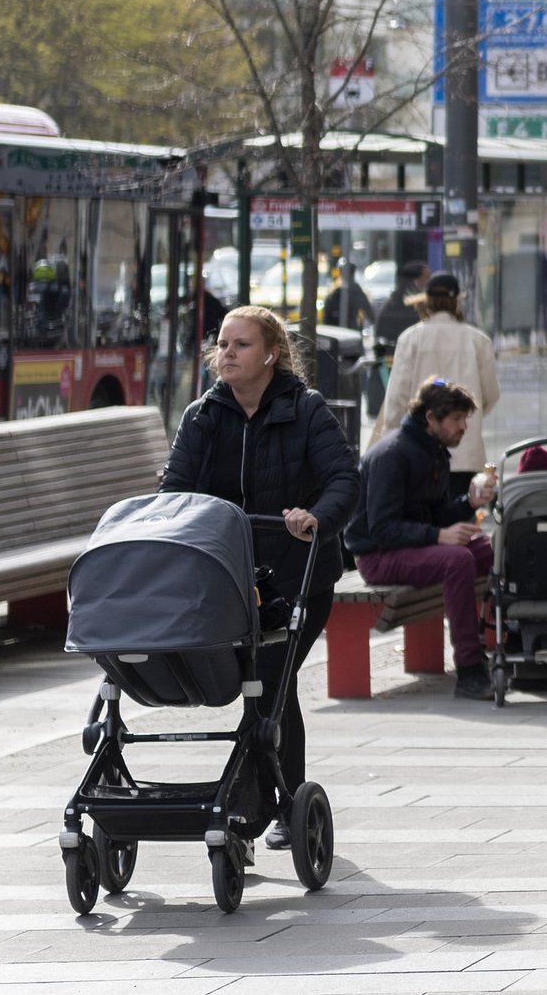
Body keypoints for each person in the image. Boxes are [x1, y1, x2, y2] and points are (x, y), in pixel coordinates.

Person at [159, 306, 359, 852]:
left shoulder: (306, 410)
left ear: (271, 354)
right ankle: (271, 797)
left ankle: (261, 806)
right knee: (258, 687)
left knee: (270, 679)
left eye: (240, 345)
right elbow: (173, 487)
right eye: (221, 344)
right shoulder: (203, 415)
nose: (225, 354)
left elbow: (344, 479)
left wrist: (316, 516)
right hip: (228, 580)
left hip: (297, 578)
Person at [345, 378, 499, 700]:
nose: (464, 426)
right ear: (431, 419)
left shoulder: (435, 451)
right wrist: (439, 536)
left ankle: (513, 644)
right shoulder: (393, 454)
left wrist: (467, 503)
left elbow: (433, 513)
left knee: (494, 549)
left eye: (465, 418)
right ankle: (470, 669)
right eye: (457, 419)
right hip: (378, 556)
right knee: (457, 560)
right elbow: (382, 529)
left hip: (411, 547)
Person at [372, 272, 500, 477]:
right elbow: (491, 394)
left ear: (427, 301)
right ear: (458, 301)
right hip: (466, 454)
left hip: (417, 452)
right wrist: (462, 417)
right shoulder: (478, 341)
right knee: (461, 507)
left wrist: (390, 435)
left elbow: (397, 398)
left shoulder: (410, 339)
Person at [369, 261, 430, 420]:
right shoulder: (415, 304)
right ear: (416, 280)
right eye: (426, 277)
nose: (427, 282)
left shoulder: (392, 302)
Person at [321, 260, 375, 330]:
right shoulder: (355, 289)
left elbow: (326, 313)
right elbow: (367, 309)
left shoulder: (334, 286)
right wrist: (373, 320)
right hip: (351, 329)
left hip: (333, 330)